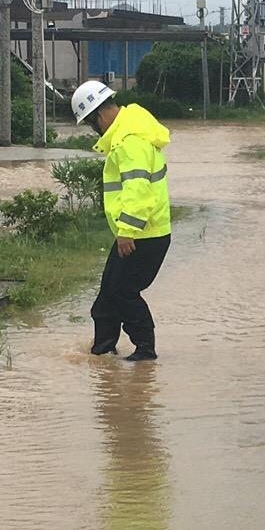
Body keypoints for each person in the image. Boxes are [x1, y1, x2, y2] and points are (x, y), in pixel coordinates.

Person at [73, 80, 172, 360]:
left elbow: (138, 189)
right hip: (137, 234)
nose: (95, 130)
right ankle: (102, 352)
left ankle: (145, 351)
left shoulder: (131, 140)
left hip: (144, 235)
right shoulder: (128, 134)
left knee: (123, 293)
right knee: (107, 298)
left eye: (92, 124)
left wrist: (127, 230)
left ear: (99, 116)